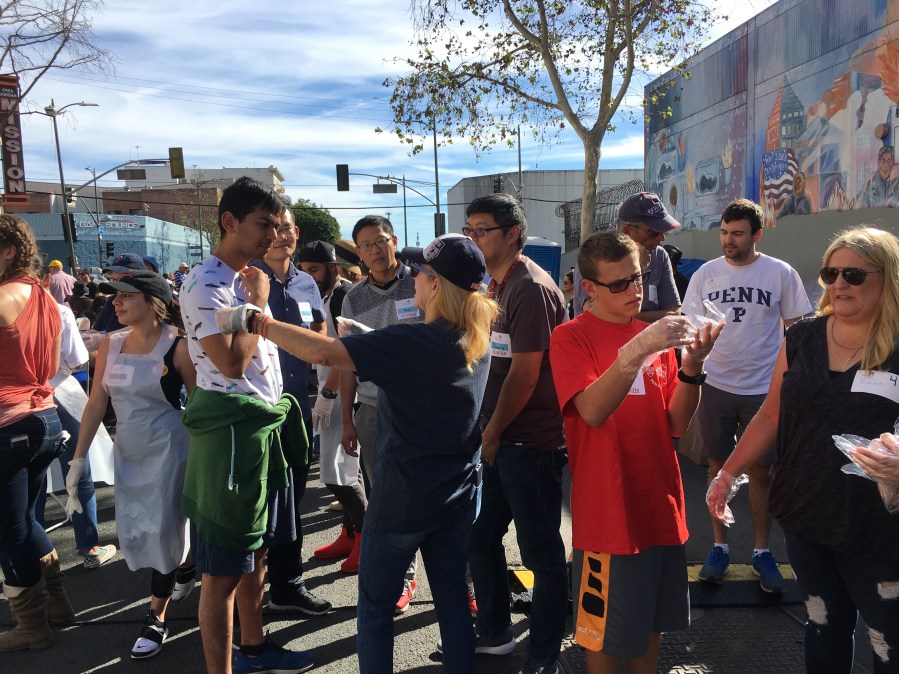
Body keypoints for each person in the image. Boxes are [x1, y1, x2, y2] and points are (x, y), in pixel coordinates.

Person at [215, 233, 496, 674]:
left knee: (375, 608)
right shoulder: (475, 336)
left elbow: (321, 350)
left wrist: (256, 319)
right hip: (455, 496)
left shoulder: (411, 341)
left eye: (419, 273)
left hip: (404, 499)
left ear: (436, 285)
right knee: (452, 605)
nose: (414, 281)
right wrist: (370, 343)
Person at [707, 226, 899, 673]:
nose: (838, 285)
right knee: (823, 627)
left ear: (887, 277)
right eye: (830, 273)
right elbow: (772, 416)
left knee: (888, 641)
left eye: (853, 274)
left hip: (878, 529)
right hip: (806, 514)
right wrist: (728, 473)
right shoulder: (805, 337)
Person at [550, 231, 721, 674]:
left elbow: (675, 424)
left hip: (658, 505)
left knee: (650, 625)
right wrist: (637, 351)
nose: (634, 291)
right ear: (588, 287)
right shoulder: (571, 338)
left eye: (639, 279)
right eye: (619, 284)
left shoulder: (652, 335)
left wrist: (692, 368)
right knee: (600, 636)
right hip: (608, 514)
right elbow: (591, 409)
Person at [178, 176, 313, 674]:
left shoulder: (242, 279)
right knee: (222, 572)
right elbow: (231, 364)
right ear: (229, 221)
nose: (273, 235)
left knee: (255, 554)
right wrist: (255, 304)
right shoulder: (206, 284)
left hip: (260, 430)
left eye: (278, 225)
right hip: (232, 434)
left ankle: (254, 649)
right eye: (264, 224)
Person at [683, 198, 811, 592]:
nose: (728, 240)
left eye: (737, 234)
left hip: (763, 389)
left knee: (762, 471)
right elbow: (689, 328)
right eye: (724, 232)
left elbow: (798, 331)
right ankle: (719, 547)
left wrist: (789, 381)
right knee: (717, 468)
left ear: (757, 234)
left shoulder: (780, 273)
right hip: (716, 385)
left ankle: (760, 551)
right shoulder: (705, 274)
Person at [463, 193, 568, 673]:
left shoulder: (530, 288)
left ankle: (545, 653)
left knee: (542, 553)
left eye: (481, 229)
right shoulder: (493, 283)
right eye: (470, 230)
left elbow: (527, 374)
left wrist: (492, 433)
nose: (473, 238)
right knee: (481, 538)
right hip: (502, 438)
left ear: (512, 234)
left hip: (531, 443)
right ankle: (496, 633)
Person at [68, 270, 196, 659]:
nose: (115, 303)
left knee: (161, 531)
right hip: (129, 451)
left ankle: (155, 617)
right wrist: (77, 459)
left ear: (154, 302)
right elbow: (96, 403)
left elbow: (200, 406)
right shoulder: (111, 343)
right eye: (114, 297)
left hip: (171, 450)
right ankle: (186, 565)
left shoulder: (180, 347)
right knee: (139, 531)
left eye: (125, 296)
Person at [252, 208, 332, 617]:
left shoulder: (306, 283)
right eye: (272, 228)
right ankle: (245, 591)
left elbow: (318, 330)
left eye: (286, 228)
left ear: (296, 233)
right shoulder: (243, 278)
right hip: (255, 410)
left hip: (298, 406)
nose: (280, 235)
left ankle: (286, 584)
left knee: (292, 501)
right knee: (256, 504)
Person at [340, 215, 422, 602]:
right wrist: (346, 419)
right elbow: (346, 361)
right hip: (372, 408)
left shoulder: (421, 282)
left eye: (381, 241)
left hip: (421, 407)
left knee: (431, 492)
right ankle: (404, 576)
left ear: (394, 240)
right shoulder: (353, 298)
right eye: (366, 245)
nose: (375, 250)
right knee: (386, 497)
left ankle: (463, 582)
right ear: (358, 252)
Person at [0, 215, 68, 651]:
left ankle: (32, 626)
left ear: (8, 251)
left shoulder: (3, 297)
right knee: (25, 520)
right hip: (45, 416)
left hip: (9, 421)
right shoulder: (45, 299)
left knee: (11, 531)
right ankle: (57, 605)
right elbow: (53, 364)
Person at [297, 240, 368, 569]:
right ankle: (350, 533)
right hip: (331, 391)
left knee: (339, 474)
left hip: (343, 394)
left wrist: (326, 396)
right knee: (336, 471)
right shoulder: (321, 295)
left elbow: (346, 354)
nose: (308, 276)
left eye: (314, 269)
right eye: (304, 270)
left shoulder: (341, 295)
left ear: (332, 268)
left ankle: (366, 539)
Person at [617, 192, 682, 322]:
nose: (662, 238)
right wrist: (638, 267)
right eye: (654, 232)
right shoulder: (598, 257)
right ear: (627, 231)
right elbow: (603, 317)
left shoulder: (659, 255)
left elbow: (674, 314)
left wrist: (630, 317)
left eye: (664, 231)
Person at [92, 253, 147, 333]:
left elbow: (147, 327)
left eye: (124, 279)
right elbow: (96, 330)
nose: (115, 302)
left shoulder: (149, 299)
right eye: (114, 280)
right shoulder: (112, 301)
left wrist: (104, 338)